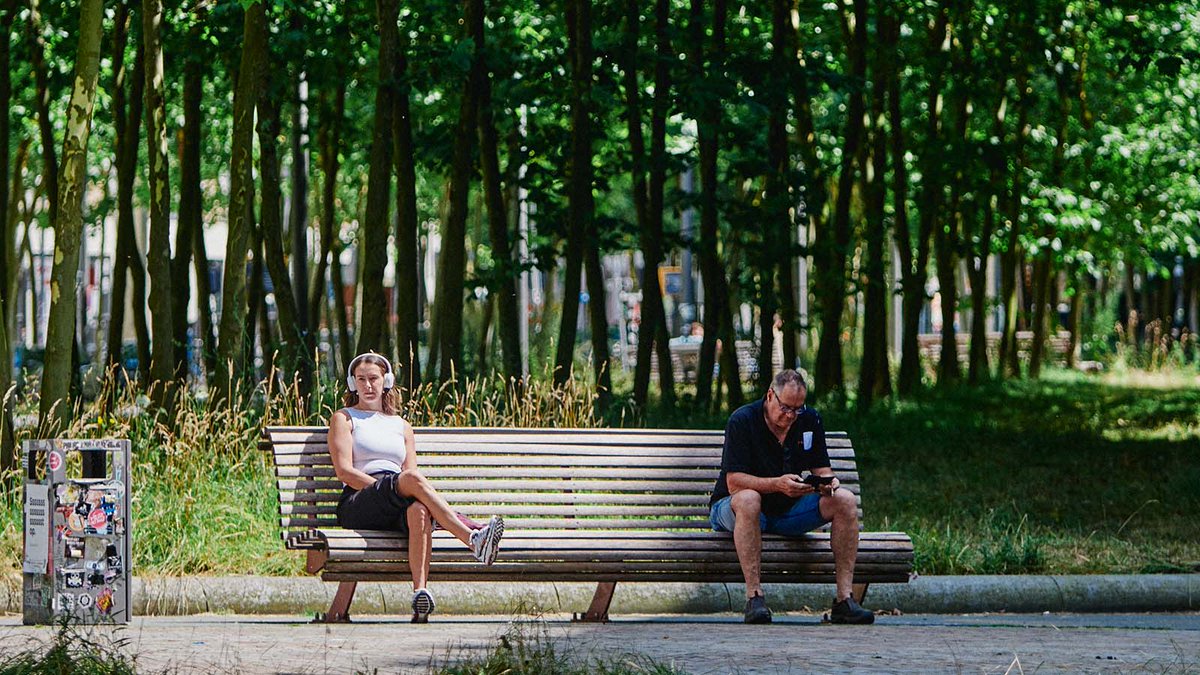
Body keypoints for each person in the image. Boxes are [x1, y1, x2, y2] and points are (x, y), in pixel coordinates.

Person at [328, 352, 504, 623]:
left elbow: (410, 472)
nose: (367, 385)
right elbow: (344, 471)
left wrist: (396, 491)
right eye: (360, 380)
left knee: (420, 509)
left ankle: (420, 593)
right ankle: (471, 538)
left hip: (396, 494)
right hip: (360, 499)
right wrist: (390, 489)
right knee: (410, 480)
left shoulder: (402, 426)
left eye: (373, 379)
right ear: (353, 384)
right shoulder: (345, 418)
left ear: (386, 381)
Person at [709, 369, 875, 625]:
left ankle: (844, 600)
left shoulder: (808, 420)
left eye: (797, 409)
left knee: (845, 499)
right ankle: (754, 597)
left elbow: (822, 469)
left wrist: (827, 484)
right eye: (785, 408)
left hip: (787, 511)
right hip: (734, 509)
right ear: (770, 396)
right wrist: (777, 484)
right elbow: (734, 483)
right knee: (750, 499)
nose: (790, 416)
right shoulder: (743, 420)